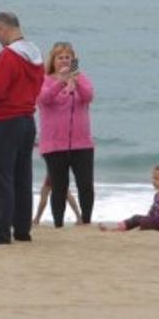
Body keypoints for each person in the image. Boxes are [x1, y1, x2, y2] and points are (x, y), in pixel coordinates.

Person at [0, 12, 45, 244]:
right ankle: (22, 229)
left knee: (0, 176)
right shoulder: (35, 54)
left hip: (6, 119)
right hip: (27, 119)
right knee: (22, 175)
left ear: (3, 28)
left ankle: (1, 231)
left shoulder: (8, 56)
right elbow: (39, 85)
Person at [37, 41, 95, 227]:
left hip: (81, 143)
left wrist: (75, 82)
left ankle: (86, 221)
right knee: (59, 186)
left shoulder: (81, 78)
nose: (64, 61)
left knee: (85, 184)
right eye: (60, 57)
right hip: (54, 144)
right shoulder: (44, 80)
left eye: (68, 57)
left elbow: (88, 97)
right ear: (53, 60)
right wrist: (60, 81)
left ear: (73, 60)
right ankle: (58, 224)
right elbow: (44, 99)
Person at [99, 163, 159, 232]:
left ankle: (138, 226)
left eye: (157, 179)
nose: (154, 181)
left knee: (144, 222)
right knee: (137, 218)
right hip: (156, 222)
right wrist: (147, 217)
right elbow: (153, 210)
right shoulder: (158, 195)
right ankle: (116, 229)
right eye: (153, 178)